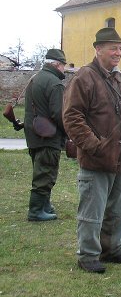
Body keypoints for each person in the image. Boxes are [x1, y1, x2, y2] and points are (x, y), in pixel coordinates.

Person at [63, 28, 121, 274]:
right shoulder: (84, 78)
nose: (117, 53)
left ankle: (113, 250)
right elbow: (72, 118)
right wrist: (94, 145)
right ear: (97, 49)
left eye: (120, 48)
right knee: (92, 212)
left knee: (118, 211)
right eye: (113, 48)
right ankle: (88, 255)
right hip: (97, 159)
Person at [23, 49, 68, 221]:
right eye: (63, 65)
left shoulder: (35, 79)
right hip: (48, 136)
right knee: (45, 174)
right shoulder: (54, 83)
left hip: (34, 134)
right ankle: (35, 211)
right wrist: (68, 133)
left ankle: (45, 206)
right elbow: (59, 114)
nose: (64, 69)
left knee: (41, 169)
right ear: (57, 64)